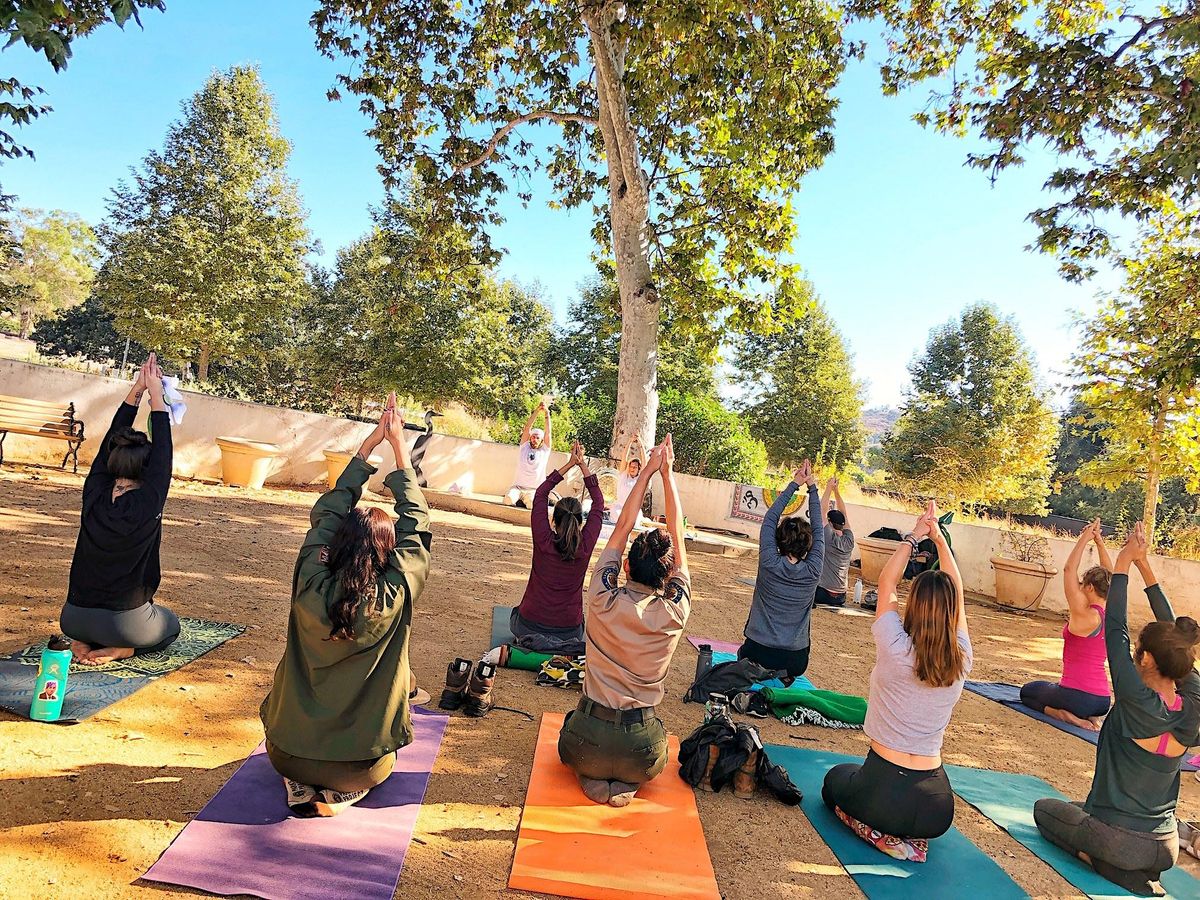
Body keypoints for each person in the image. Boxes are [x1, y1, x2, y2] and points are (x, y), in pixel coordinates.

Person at [260, 393, 433, 817]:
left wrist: (367, 449)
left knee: (288, 746)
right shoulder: (394, 592)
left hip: (286, 755)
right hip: (362, 767)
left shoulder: (309, 582)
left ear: (335, 547)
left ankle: (299, 783)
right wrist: (401, 454)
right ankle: (344, 792)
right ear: (386, 554)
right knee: (382, 762)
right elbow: (417, 528)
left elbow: (327, 516)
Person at [1034, 524, 1200, 896]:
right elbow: (1177, 640)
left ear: (1145, 659)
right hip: (1166, 847)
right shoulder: (1193, 703)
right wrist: (1143, 567)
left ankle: (1102, 862)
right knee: (1078, 807)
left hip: (1119, 843)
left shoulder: (1134, 697)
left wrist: (1126, 563)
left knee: (1045, 810)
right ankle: (1129, 863)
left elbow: (1115, 627)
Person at [823, 501, 971, 847]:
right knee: (856, 786)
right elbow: (958, 593)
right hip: (937, 809)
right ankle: (907, 839)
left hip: (882, 791)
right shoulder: (961, 657)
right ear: (952, 612)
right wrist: (939, 540)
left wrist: (915, 536)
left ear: (914, 605)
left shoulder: (895, 645)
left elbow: (887, 581)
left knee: (834, 782)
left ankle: (880, 834)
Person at [558, 435, 690, 808]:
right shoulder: (674, 612)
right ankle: (625, 778)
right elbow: (678, 538)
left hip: (587, 740)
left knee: (573, 730)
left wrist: (647, 470)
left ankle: (593, 772)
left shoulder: (601, 598)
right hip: (641, 749)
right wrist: (669, 475)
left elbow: (620, 529)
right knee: (654, 743)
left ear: (626, 566)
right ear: (668, 578)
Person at [60, 353, 181, 666]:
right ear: (147, 470)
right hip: (124, 624)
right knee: (170, 625)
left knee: (109, 618)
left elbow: (108, 444)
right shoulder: (148, 501)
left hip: (73, 619)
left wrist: (139, 390)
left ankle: (83, 641)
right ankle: (123, 649)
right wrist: (157, 394)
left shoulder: (95, 493)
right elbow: (164, 452)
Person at [510, 441, 605, 654]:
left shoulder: (543, 539)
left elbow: (542, 493)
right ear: (580, 522)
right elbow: (599, 504)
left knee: (515, 614)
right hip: (569, 632)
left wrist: (570, 463)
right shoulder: (585, 544)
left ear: (554, 520)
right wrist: (582, 466)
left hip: (527, 626)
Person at [1021, 518, 1113, 730]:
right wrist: (1099, 541)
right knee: (1052, 690)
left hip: (1076, 697)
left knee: (1028, 692)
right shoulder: (1113, 612)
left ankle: (1066, 716)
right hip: (1102, 700)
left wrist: (1085, 537)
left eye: (1083, 585)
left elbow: (1069, 570)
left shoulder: (1084, 614)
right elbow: (1113, 576)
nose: (1079, 588)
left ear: (1089, 587)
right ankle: (1091, 718)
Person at [737, 459, 825, 677]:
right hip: (794, 661)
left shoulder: (769, 562)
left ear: (778, 541)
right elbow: (819, 526)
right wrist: (812, 487)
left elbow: (770, 518)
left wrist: (795, 484)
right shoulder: (813, 568)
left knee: (743, 654)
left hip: (757, 653)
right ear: (809, 544)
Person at [814, 477, 856, 607]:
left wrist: (828, 488)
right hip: (841, 597)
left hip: (823, 593)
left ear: (830, 523)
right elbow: (844, 514)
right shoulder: (849, 539)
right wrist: (836, 491)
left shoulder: (829, 537)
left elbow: (822, 510)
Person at [504, 401, 552, 508]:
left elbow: (548, 432)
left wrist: (546, 414)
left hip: (534, 490)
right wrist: (537, 410)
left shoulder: (544, 451)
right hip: (518, 487)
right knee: (508, 500)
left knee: (531, 505)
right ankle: (519, 500)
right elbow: (527, 428)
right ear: (530, 438)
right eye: (533, 437)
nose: (535, 439)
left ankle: (524, 501)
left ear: (541, 440)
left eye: (537, 437)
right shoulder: (524, 447)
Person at [608, 434, 645, 522]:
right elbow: (624, 456)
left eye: (635, 467)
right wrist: (630, 441)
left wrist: (640, 443)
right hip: (619, 508)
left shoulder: (640, 479)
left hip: (633, 509)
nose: (632, 468)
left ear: (638, 469)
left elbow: (644, 461)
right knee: (617, 516)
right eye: (631, 466)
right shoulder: (623, 475)